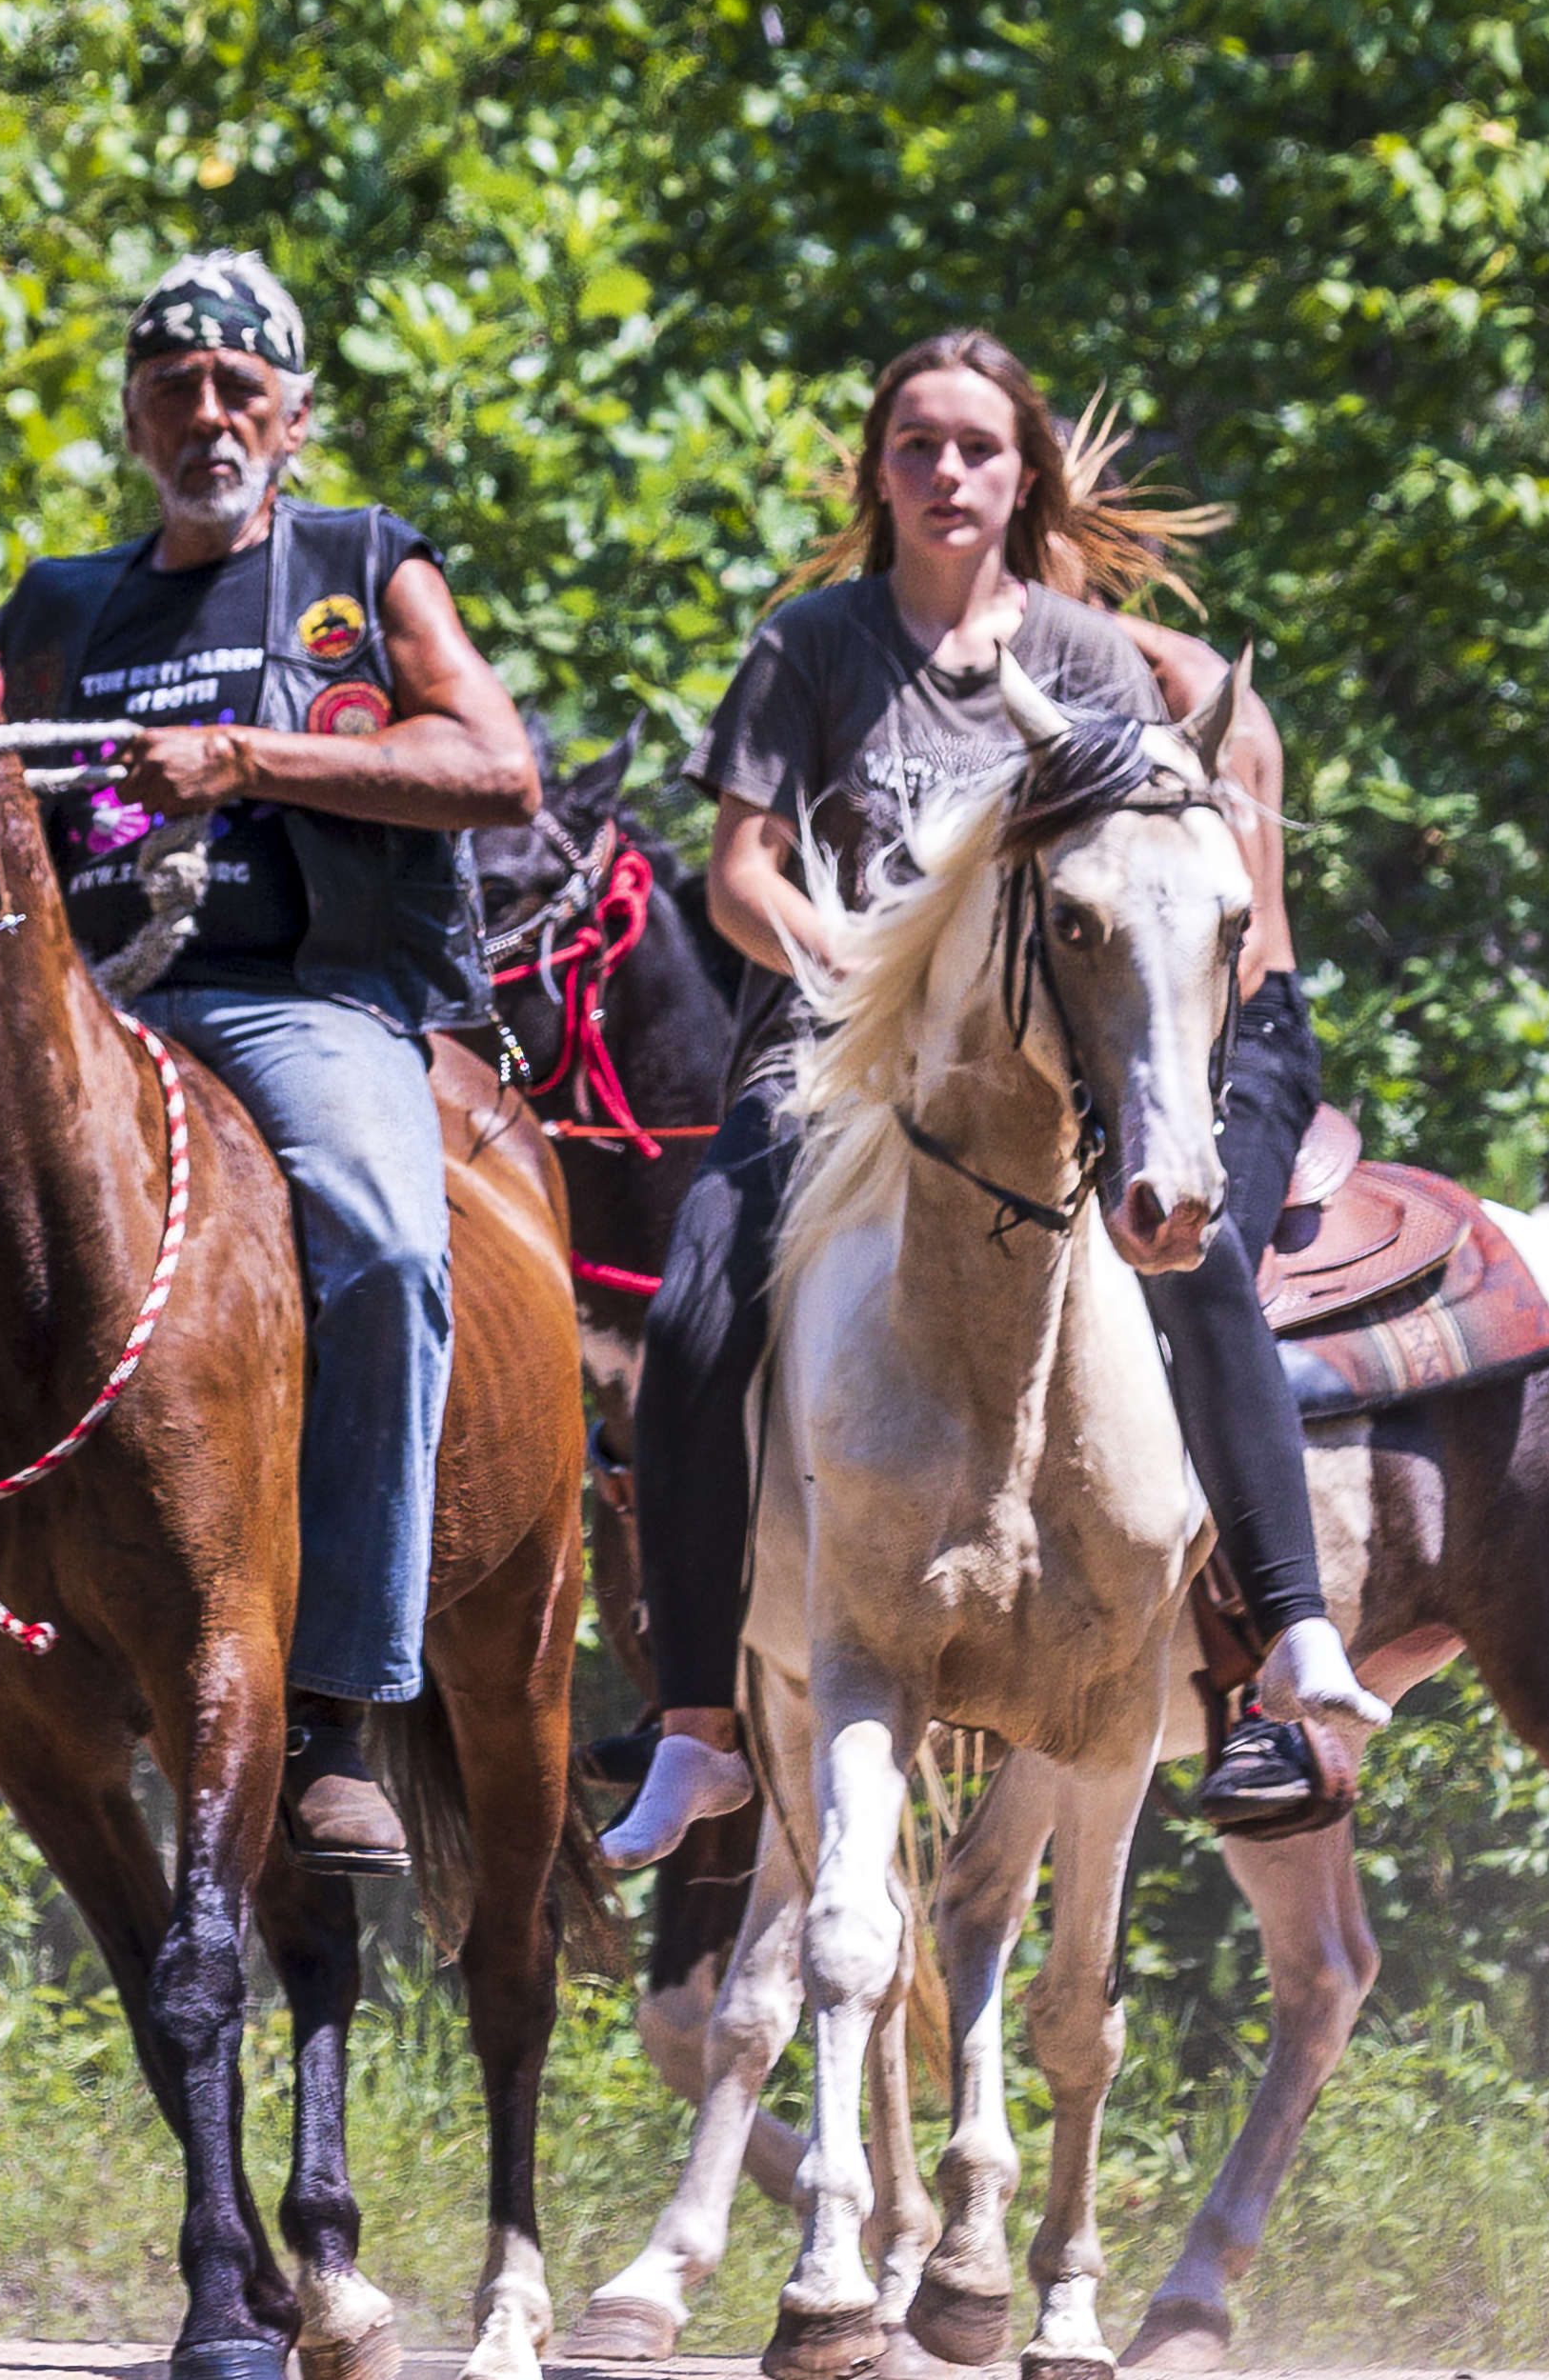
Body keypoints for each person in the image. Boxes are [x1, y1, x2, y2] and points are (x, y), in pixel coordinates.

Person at [589, 330, 1390, 1874]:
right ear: (876, 474)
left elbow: (1141, 879)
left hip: (1037, 1082)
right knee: (694, 1307)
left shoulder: (1093, 663)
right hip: (821, 1062)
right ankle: (697, 1723)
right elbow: (741, 871)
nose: (946, 473)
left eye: (976, 448)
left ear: (1022, 476)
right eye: (916, 447)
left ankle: (1288, 1629)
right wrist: (848, 971)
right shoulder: (811, 648)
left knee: (1194, 1253)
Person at [0, 253, 535, 1887]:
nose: (209, 411)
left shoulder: (361, 572)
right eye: (176, 385)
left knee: (392, 1245)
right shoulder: (62, 608)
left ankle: (340, 1700)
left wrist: (250, 758)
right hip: (99, 1024)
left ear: (295, 410)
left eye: (240, 384)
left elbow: (495, 768)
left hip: (308, 1005)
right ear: (133, 418)